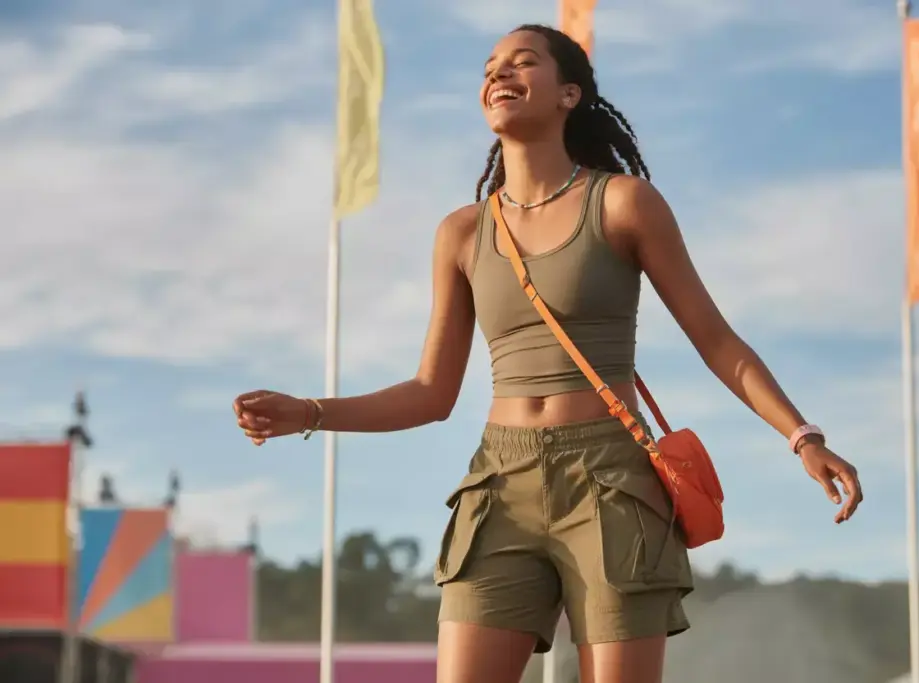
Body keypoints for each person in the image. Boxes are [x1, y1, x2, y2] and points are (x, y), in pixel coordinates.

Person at [232, 23, 864, 683]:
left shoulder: (623, 203)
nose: (499, 75)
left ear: (568, 93)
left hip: (612, 482)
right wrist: (308, 411)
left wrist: (802, 434)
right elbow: (431, 391)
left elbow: (716, 338)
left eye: (521, 62)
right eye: (489, 68)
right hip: (498, 486)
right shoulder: (461, 233)